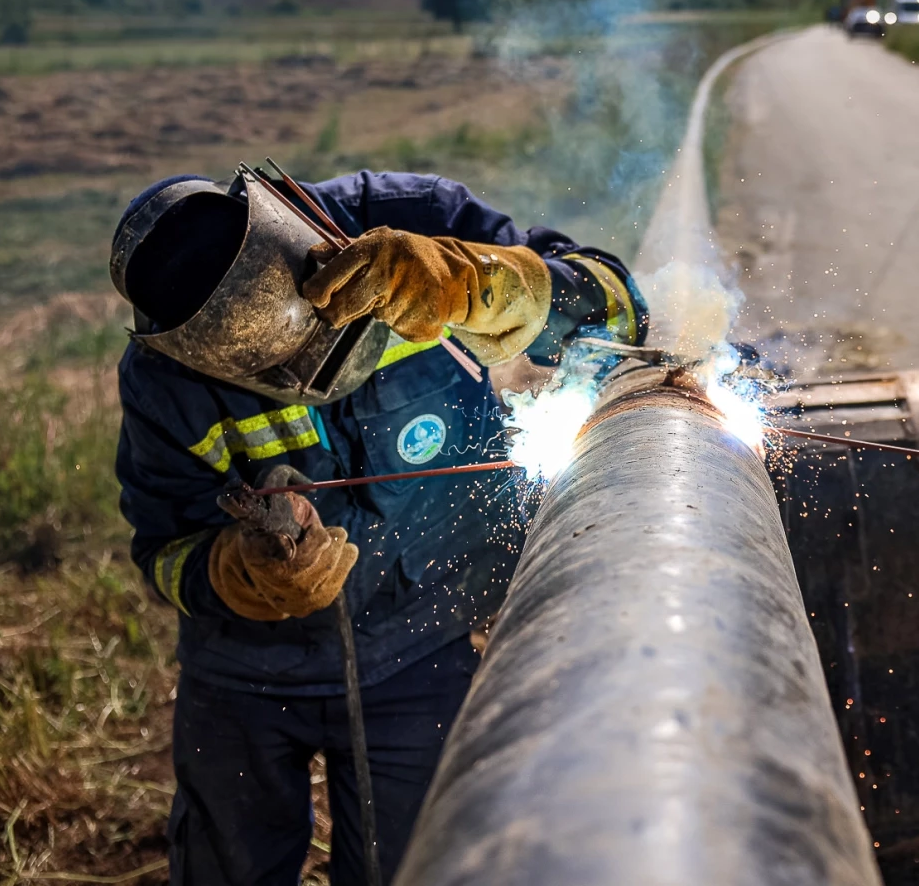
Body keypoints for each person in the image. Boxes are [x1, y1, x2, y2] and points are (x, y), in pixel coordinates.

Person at [110, 168, 646, 885]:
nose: (301, 376)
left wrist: (475, 283)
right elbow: (163, 547)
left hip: (422, 648)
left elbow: (617, 310)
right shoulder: (162, 378)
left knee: (417, 868)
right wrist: (239, 572)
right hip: (244, 676)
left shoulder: (416, 219)